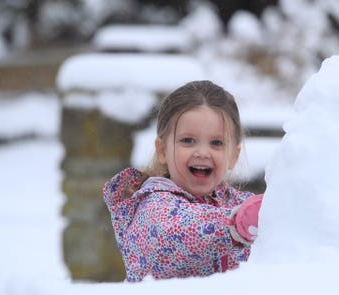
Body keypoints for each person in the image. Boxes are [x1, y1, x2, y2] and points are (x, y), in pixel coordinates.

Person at [103, 80, 263, 282]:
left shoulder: (237, 204)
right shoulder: (152, 206)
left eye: (216, 143)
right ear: (163, 150)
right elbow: (174, 233)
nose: (202, 152)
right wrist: (236, 224)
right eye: (188, 141)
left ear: (233, 156)